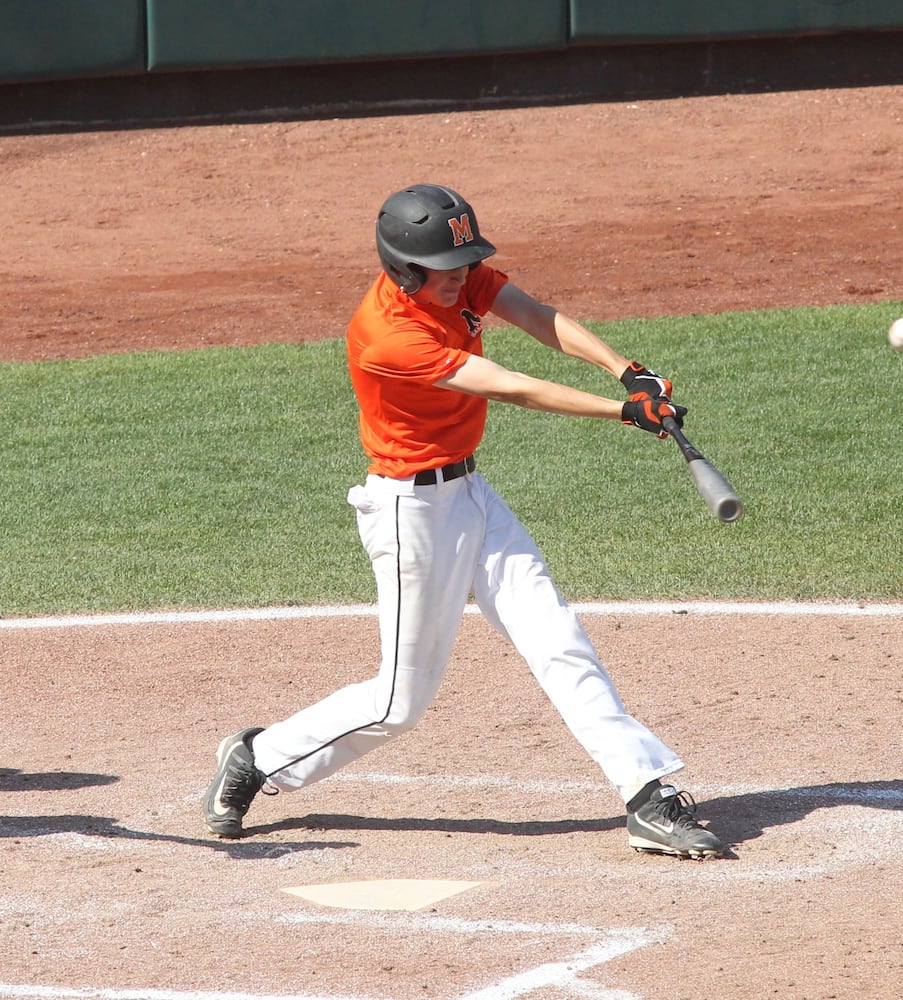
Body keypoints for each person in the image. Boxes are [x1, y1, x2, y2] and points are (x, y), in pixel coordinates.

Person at [200, 183, 726, 859]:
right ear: (405, 268)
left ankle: (646, 797)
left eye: (464, 267)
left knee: (557, 638)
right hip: (409, 513)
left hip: (472, 495)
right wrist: (621, 413)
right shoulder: (387, 335)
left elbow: (535, 315)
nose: (462, 281)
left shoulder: (459, 277)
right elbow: (509, 384)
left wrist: (628, 371)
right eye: (446, 273)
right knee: (398, 703)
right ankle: (259, 757)